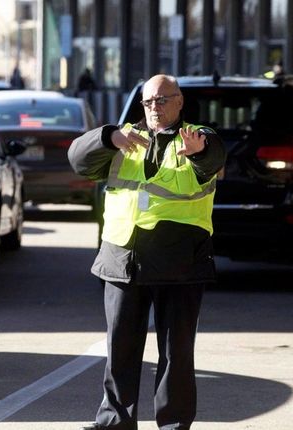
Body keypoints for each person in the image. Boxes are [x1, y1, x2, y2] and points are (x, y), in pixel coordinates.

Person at [68, 74, 226, 430]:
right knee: (120, 348)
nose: (155, 107)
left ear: (180, 101)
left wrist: (198, 151)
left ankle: (172, 423)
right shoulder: (126, 136)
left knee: (176, 353)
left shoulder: (197, 135)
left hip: (179, 261)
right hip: (124, 257)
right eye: (149, 101)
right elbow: (78, 159)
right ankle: (114, 421)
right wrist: (108, 136)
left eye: (162, 100)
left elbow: (213, 156)